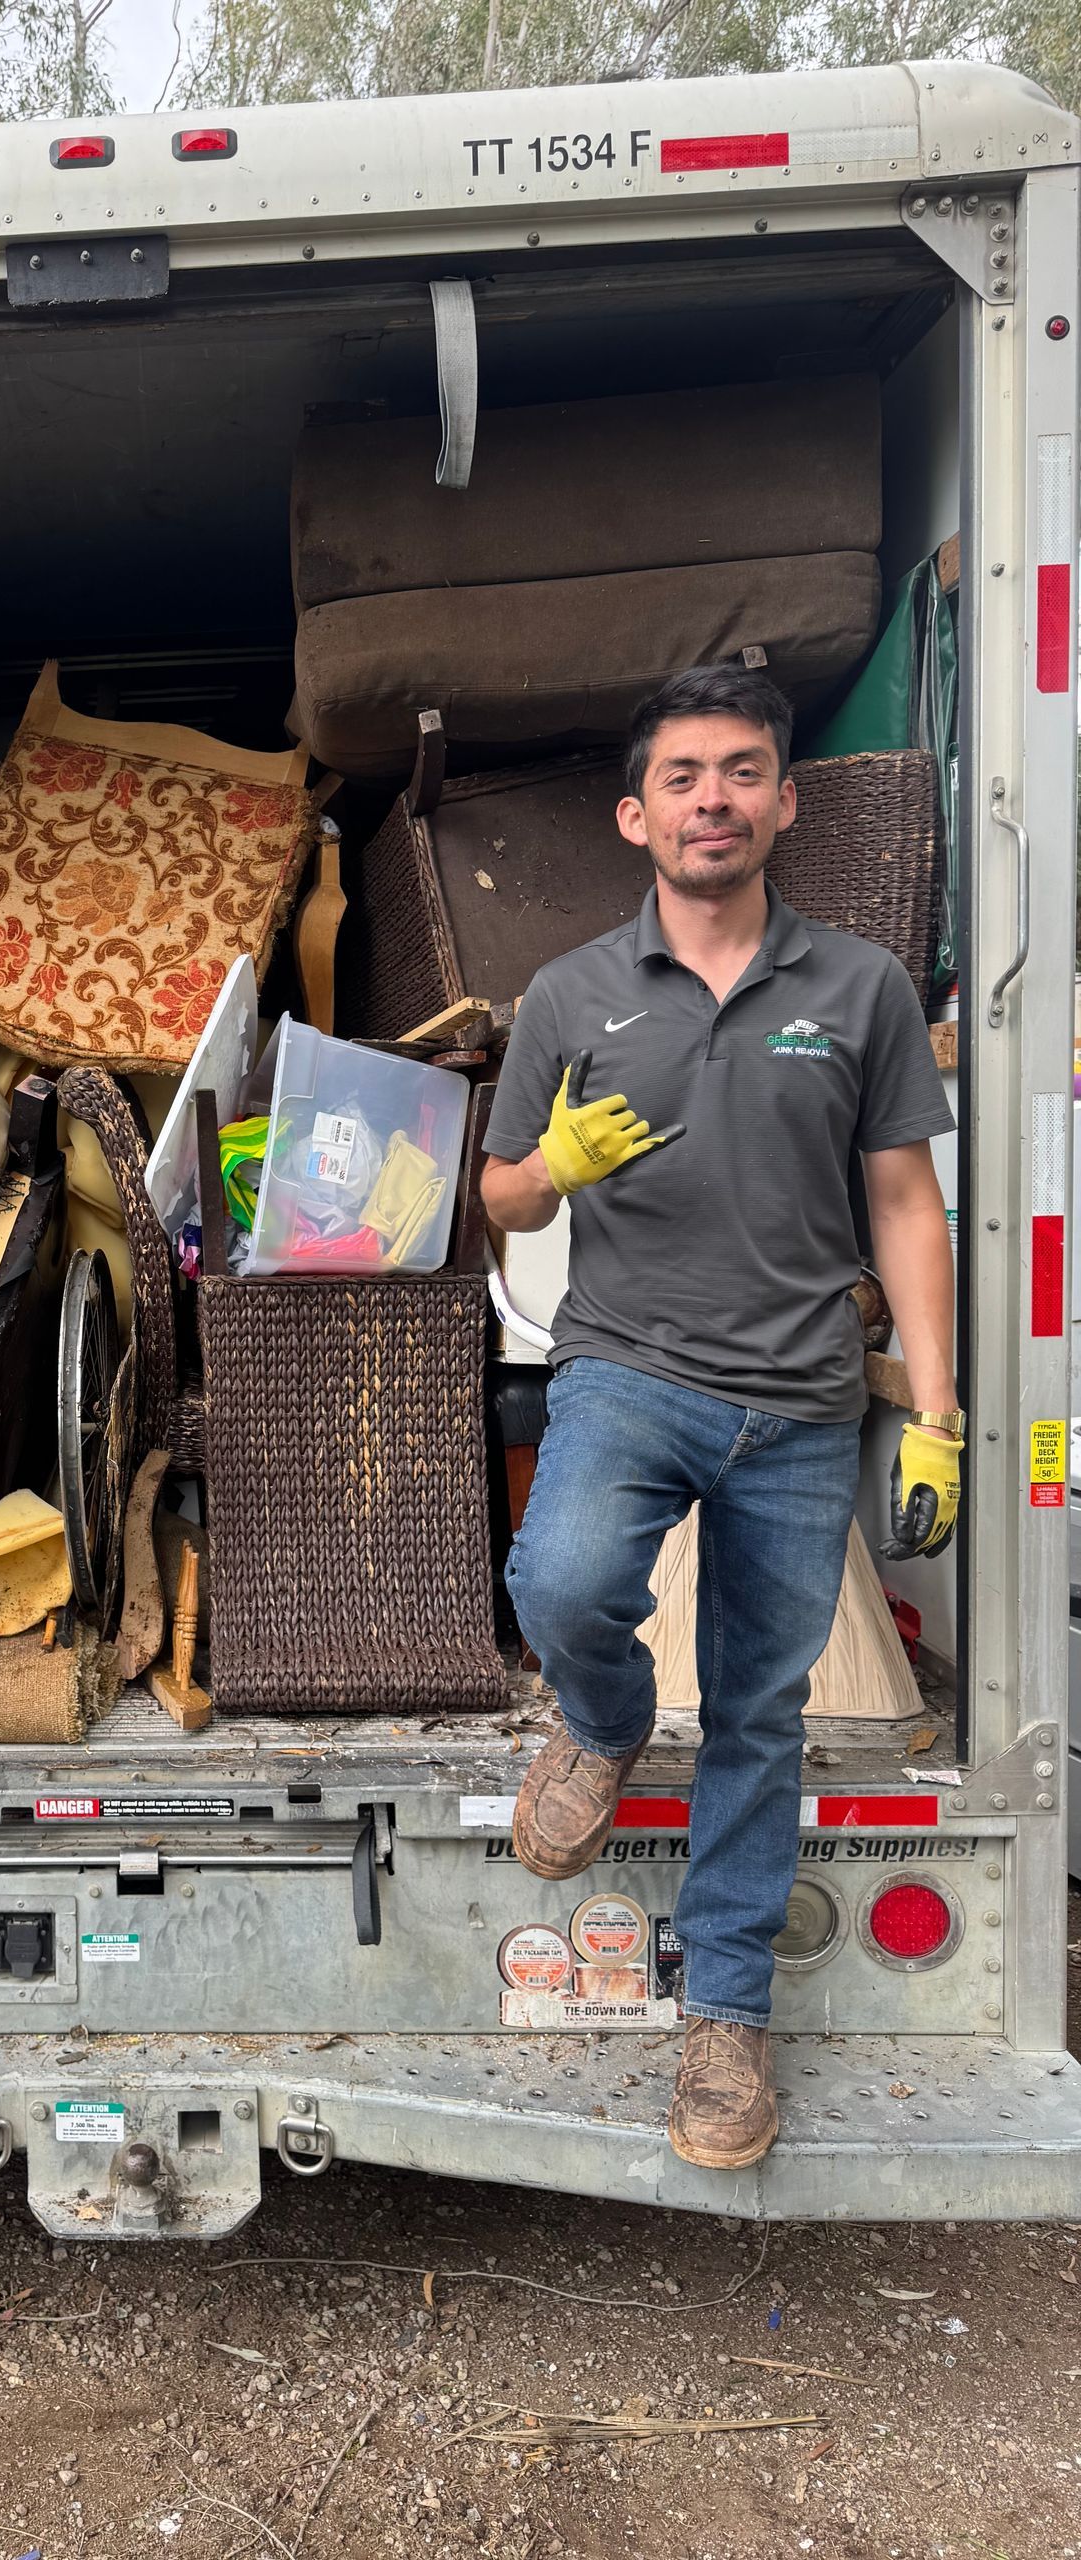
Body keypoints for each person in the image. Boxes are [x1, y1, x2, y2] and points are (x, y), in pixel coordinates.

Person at [481, 664, 958, 2172]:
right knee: (558, 1581)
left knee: (763, 1712)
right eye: (684, 776)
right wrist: (546, 1165)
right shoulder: (569, 991)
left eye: (743, 771)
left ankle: (727, 2020)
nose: (714, 799)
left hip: (804, 1403)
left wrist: (937, 1414)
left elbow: (903, 1203)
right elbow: (487, 1201)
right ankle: (605, 1721)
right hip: (626, 1365)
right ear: (638, 816)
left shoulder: (862, 988)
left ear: (784, 801)